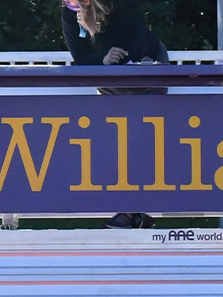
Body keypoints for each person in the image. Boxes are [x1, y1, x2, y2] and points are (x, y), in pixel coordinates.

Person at [62, 0, 170, 228]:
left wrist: (107, 51)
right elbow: (81, 59)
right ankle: (132, 212)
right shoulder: (69, 12)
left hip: (147, 68)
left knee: (140, 138)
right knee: (118, 141)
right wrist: (103, 58)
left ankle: (133, 211)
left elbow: (135, 41)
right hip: (113, 78)